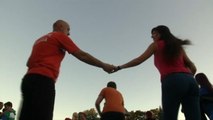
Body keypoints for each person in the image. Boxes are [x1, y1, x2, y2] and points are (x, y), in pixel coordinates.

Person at [19, 20, 115, 120]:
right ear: (60, 27)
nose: (69, 33)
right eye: (68, 29)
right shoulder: (59, 36)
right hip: (43, 81)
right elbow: (82, 55)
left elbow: (28, 62)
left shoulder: (38, 41)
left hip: (28, 80)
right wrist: (103, 65)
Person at [114, 25, 200, 120]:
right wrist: (186, 79)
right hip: (191, 82)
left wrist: (119, 67)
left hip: (172, 80)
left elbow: (138, 60)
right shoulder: (178, 47)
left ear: (160, 34)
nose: (152, 37)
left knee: (169, 117)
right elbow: (193, 67)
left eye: (153, 34)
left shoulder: (156, 45)